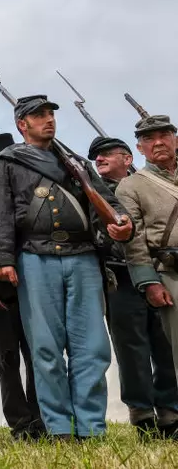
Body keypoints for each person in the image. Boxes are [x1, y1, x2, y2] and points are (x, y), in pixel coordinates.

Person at [0, 95, 133, 440]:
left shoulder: (77, 163)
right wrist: (4, 261)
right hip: (34, 258)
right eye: (39, 115)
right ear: (22, 124)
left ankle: (92, 427)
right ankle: (59, 427)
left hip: (82, 255)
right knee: (46, 349)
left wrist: (122, 222)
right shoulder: (5, 163)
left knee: (92, 347)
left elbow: (106, 202)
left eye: (50, 113)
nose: (48, 119)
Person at [90, 135, 178, 438]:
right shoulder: (94, 192)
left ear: (128, 159)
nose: (99, 159)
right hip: (121, 278)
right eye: (96, 157)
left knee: (166, 345)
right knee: (131, 350)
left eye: (106, 155)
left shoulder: (149, 184)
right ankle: (141, 413)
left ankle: (170, 412)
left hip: (159, 271)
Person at [0, 134, 44, 440]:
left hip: (33, 289)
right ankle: (20, 423)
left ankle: (41, 417)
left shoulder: (30, 198)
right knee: (7, 360)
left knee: (38, 356)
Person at [116, 115, 178, 435]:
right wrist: (148, 281)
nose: (158, 143)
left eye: (164, 135)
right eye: (149, 139)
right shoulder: (131, 185)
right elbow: (134, 240)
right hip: (169, 273)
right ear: (139, 147)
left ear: (175, 139)